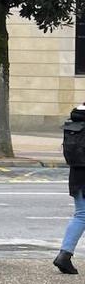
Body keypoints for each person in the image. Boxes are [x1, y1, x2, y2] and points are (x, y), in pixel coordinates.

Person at [55, 104, 85, 274]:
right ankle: (64, 256)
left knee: (81, 214)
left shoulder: (75, 121)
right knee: (82, 215)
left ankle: (64, 254)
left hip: (76, 174)